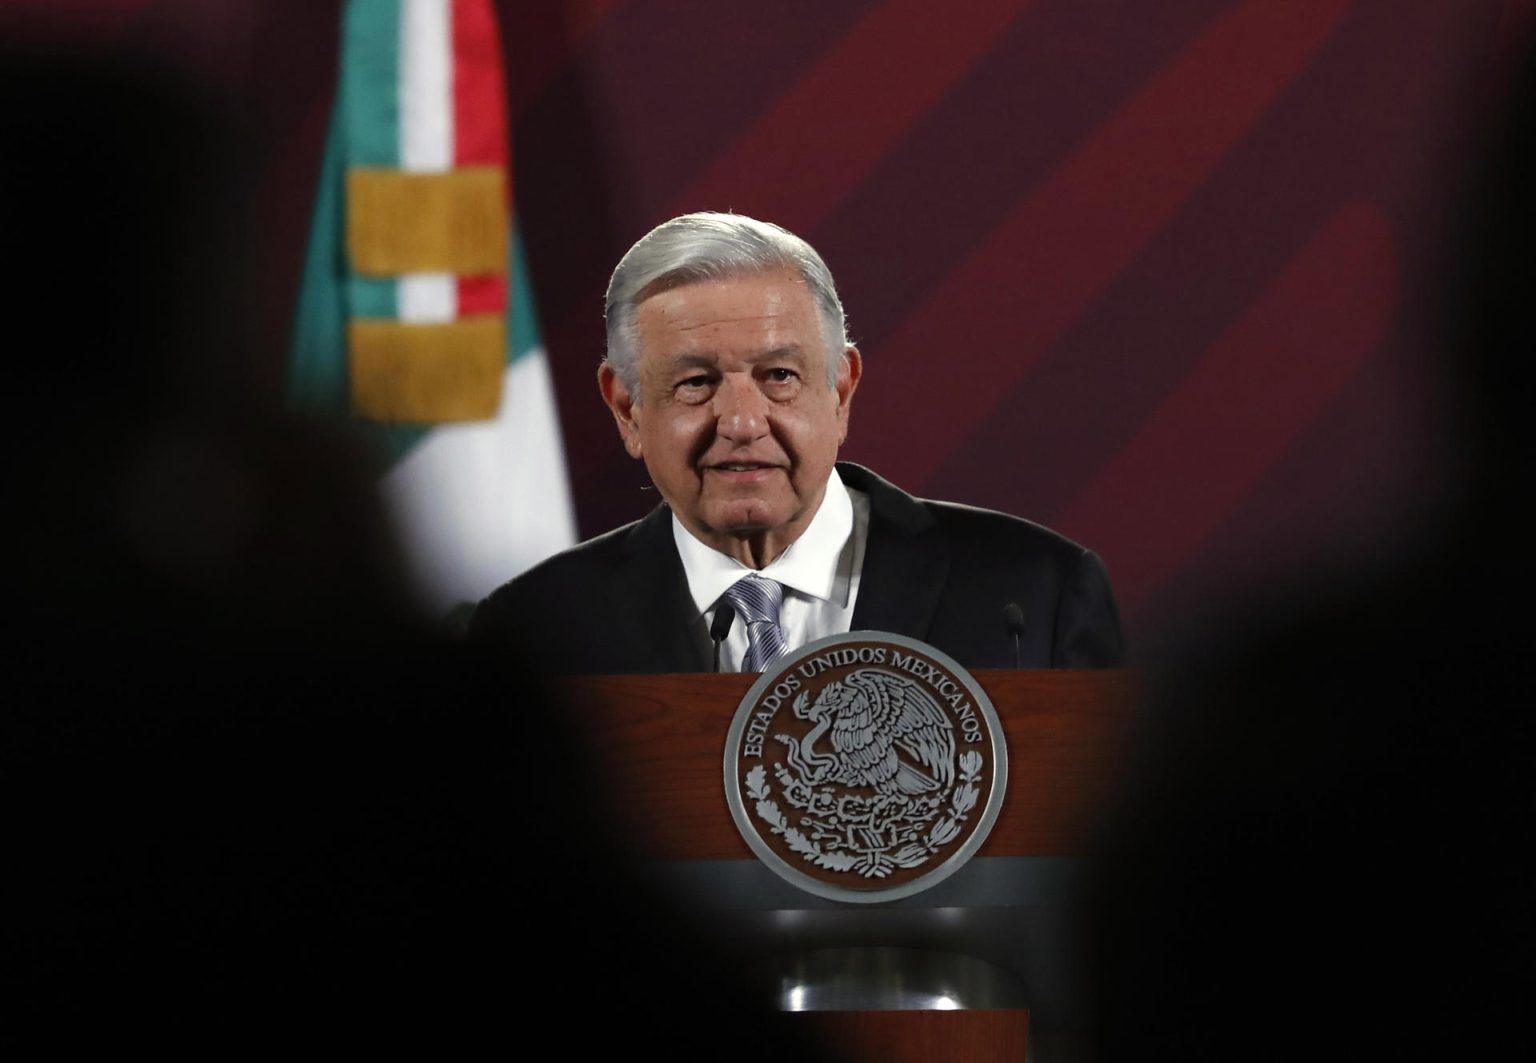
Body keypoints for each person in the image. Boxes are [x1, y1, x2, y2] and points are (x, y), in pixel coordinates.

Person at [470, 212, 1125, 673]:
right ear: (627, 408)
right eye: (696, 383)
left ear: (841, 390)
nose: (742, 421)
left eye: (778, 376)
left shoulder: (1036, 596)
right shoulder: (532, 633)